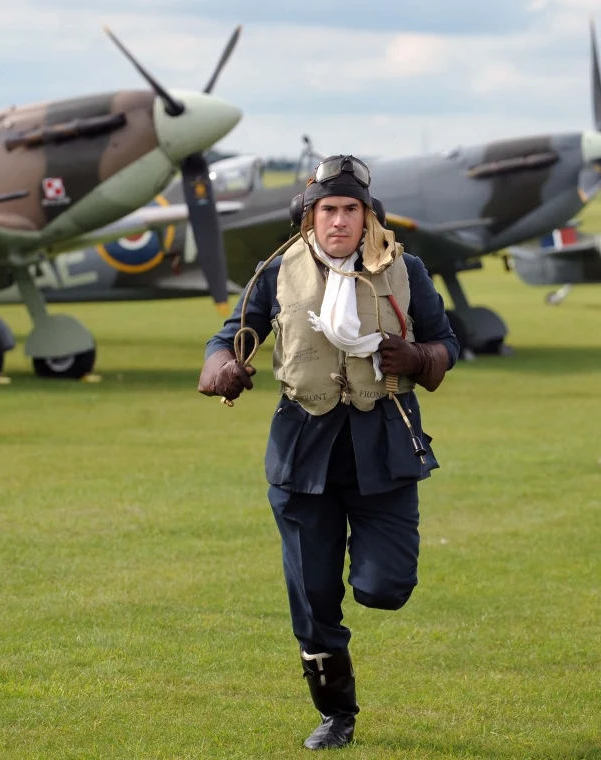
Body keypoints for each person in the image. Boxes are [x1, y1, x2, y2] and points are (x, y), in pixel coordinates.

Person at [198, 155, 458, 750]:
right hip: (301, 454)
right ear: (309, 217)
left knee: (385, 589)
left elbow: (446, 342)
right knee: (314, 598)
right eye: (327, 210)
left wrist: (417, 359)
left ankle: (369, 588)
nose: (338, 221)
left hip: (386, 448)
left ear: (367, 216)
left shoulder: (407, 270)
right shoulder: (276, 273)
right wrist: (222, 367)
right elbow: (229, 336)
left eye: (349, 210)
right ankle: (336, 714)